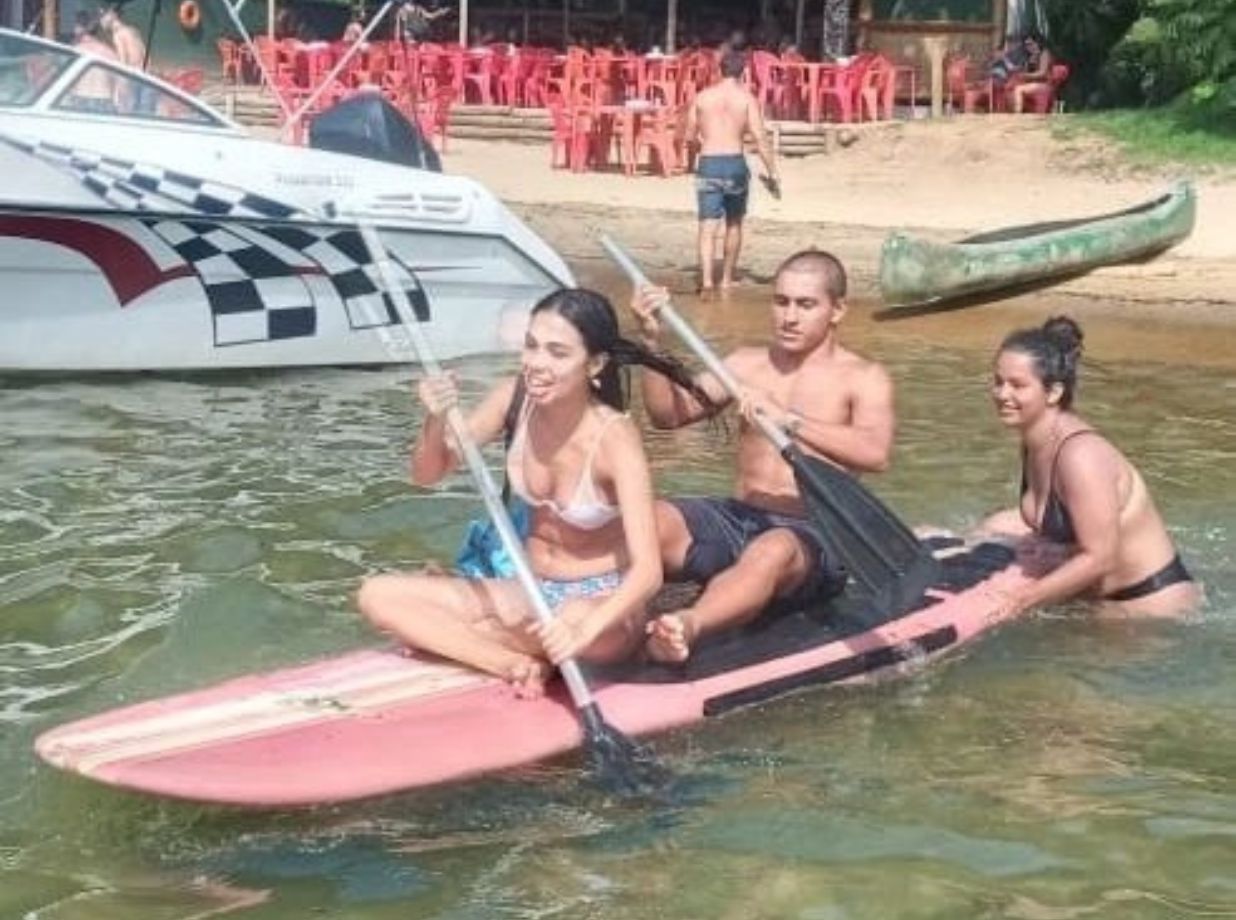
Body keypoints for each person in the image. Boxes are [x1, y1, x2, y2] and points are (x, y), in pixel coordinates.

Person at [356, 289, 719, 696]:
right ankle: (510, 662)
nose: (537, 363)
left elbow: (648, 573)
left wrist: (583, 632)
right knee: (378, 595)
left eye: (557, 353)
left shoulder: (615, 437)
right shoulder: (513, 398)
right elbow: (427, 474)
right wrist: (435, 420)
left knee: (570, 617)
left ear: (595, 364)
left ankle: (472, 638)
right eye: (531, 346)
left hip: (600, 604)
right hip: (531, 589)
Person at [629, 250, 896, 663]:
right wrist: (651, 342)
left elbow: (875, 454)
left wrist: (788, 420)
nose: (789, 317)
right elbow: (668, 416)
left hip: (813, 535)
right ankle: (585, 609)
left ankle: (685, 627)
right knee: (652, 517)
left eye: (805, 305)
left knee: (772, 550)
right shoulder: (745, 364)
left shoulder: (863, 377)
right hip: (739, 519)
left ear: (837, 310)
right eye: (781, 301)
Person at [982, 316, 1199, 617]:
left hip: (1144, 606)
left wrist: (1019, 601)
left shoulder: (1081, 456)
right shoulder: (1034, 441)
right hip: (1095, 597)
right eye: (998, 382)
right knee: (992, 526)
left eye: (1017, 385)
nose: (1002, 394)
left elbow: (1100, 558)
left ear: (1054, 392)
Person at [684, 49, 780, 297]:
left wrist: (695, 156)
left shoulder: (703, 97)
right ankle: (726, 279)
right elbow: (760, 137)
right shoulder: (747, 99)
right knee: (734, 223)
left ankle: (706, 281)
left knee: (707, 226)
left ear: (719, 70)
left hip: (709, 162)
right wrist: (772, 172)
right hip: (735, 163)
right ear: (744, 72)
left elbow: (689, 136)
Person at [67, 11, 120, 113]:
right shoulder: (109, 52)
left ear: (78, 29)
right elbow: (119, 81)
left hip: (80, 99)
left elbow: (69, 81)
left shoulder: (74, 51)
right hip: (104, 99)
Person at [1010, 31, 1055, 113]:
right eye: (1026, 45)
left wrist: (1025, 75)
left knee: (1018, 89)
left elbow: (1042, 73)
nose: (1028, 47)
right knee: (1014, 86)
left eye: (1030, 44)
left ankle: (1017, 114)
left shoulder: (1044, 53)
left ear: (1037, 43)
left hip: (1044, 83)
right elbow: (1026, 71)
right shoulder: (1030, 56)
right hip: (1033, 83)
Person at [99, 3, 146, 70]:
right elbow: (144, 53)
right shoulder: (132, 29)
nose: (101, 20)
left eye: (103, 16)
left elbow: (123, 62)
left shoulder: (118, 35)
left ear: (113, 15)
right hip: (143, 69)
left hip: (134, 70)